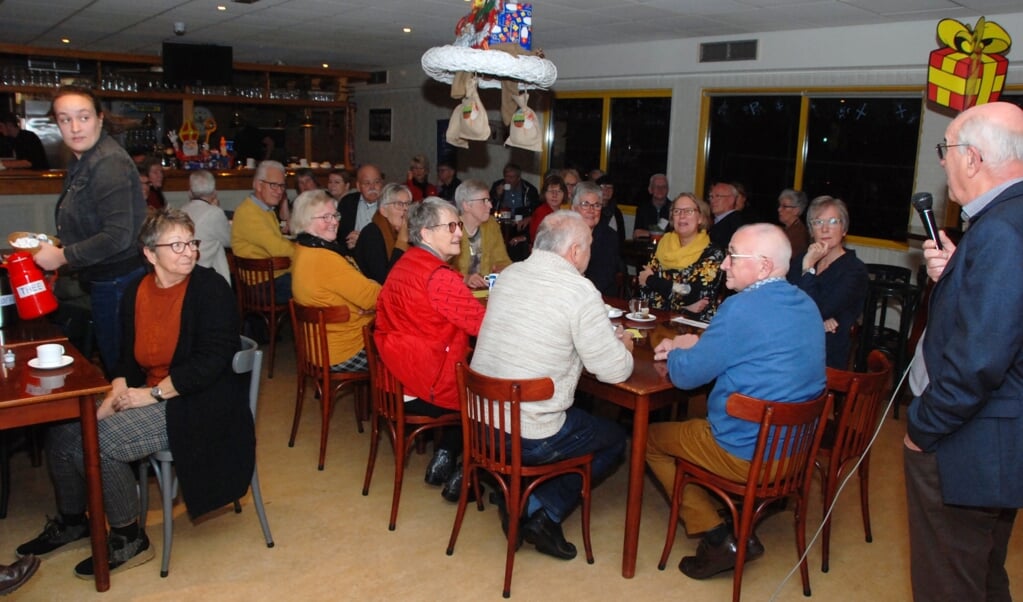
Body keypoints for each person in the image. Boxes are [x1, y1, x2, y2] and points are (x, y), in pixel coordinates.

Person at [17, 209, 255, 579]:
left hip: (198, 400)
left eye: (191, 242)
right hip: (152, 390)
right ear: (149, 253)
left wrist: (153, 395)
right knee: (64, 426)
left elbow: (211, 362)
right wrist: (117, 390)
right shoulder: (137, 291)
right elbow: (126, 357)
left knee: (101, 440)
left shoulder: (210, 289)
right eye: (176, 244)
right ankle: (72, 521)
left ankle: (129, 537)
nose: (188, 252)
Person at [646, 223, 825, 580]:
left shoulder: (741, 308)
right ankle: (721, 509)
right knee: (703, 408)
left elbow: (685, 377)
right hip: (796, 450)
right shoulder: (806, 303)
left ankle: (716, 535)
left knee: (650, 439)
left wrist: (676, 351)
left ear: (762, 266)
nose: (724, 264)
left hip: (748, 454)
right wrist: (698, 346)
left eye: (732, 256)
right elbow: (751, 349)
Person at [904, 101, 1023, 601]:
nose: (942, 161)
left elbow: (979, 359)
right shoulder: (1009, 219)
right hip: (999, 441)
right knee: (983, 574)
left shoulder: (999, 231)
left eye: (945, 149)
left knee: (949, 584)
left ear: (972, 158)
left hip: (964, 442)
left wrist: (922, 427)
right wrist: (956, 272)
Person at [471, 210, 634, 560]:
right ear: (575, 251)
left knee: (575, 417)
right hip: (528, 434)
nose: (589, 255)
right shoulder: (579, 290)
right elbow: (614, 371)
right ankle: (544, 511)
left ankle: (515, 497)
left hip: (481, 422)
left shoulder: (510, 275)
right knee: (615, 440)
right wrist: (624, 346)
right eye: (588, 247)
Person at [375, 198, 486, 501]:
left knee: (469, 378)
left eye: (459, 225)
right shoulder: (440, 278)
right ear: (425, 234)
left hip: (395, 378)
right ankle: (470, 473)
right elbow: (484, 327)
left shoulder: (404, 263)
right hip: (424, 385)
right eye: (450, 226)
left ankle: (445, 456)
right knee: (492, 395)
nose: (459, 233)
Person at [32, 86, 147, 374]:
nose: (74, 127)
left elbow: (117, 236)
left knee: (122, 370)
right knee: (114, 364)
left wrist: (62, 257)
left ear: (99, 118)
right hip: (102, 279)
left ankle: (131, 421)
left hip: (119, 281)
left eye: (82, 117)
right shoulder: (83, 159)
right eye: (64, 119)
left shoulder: (108, 162)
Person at [292, 190, 381, 371]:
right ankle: (392, 399)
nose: (334, 222)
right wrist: (362, 306)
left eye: (335, 215)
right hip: (343, 350)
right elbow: (375, 298)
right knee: (403, 353)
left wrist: (360, 305)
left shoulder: (302, 249)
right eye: (326, 217)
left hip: (319, 346)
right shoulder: (324, 258)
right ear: (306, 221)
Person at [787, 196, 868, 369]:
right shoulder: (802, 258)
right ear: (811, 231)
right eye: (817, 222)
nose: (825, 229)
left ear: (844, 228)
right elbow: (785, 300)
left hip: (826, 354)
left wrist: (808, 268)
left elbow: (820, 309)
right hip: (793, 342)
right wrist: (818, 320)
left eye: (833, 221)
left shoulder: (854, 270)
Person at [638, 193, 726, 322]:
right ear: (672, 218)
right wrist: (684, 304)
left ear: (700, 218)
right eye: (677, 211)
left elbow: (693, 293)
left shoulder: (713, 253)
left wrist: (652, 280)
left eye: (689, 211)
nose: (682, 215)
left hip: (694, 323)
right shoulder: (662, 245)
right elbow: (645, 290)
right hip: (658, 318)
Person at [231, 160, 295, 302]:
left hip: (271, 279)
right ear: (258, 185)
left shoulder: (265, 210)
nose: (279, 191)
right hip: (262, 286)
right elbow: (278, 248)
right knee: (316, 284)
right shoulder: (248, 213)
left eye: (282, 186)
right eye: (274, 185)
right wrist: (308, 253)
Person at [454, 179, 511, 289]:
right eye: (484, 201)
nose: (490, 205)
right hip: (456, 293)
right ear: (466, 205)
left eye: (489, 200)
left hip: (484, 292)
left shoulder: (491, 225)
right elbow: (440, 269)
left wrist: (502, 269)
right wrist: (465, 278)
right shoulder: (451, 227)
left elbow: (502, 260)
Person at [180, 169, 232, 284]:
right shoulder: (214, 213)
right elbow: (230, 241)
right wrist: (217, 209)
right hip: (206, 272)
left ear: (190, 192)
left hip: (186, 270)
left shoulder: (182, 210)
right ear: (214, 192)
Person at [353, 183, 410, 284]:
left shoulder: (408, 232)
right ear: (383, 210)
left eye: (408, 204)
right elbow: (384, 279)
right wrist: (401, 241)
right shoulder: (372, 233)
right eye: (399, 204)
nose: (405, 209)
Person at [573, 182, 621, 297]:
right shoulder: (563, 234)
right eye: (585, 204)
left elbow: (602, 278)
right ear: (573, 208)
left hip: (599, 298)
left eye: (597, 205)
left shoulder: (609, 237)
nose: (591, 210)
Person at [339, 164, 385, 251]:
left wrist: (363, 241)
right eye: (367, 183)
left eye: (376, 182)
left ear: (382, 184)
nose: (372, 187)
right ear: (358, 186)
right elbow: (340, 236)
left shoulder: (390, 205)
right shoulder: (347, 203)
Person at [490, 162, 540, 229]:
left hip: (522, 224)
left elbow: (537, 211)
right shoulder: (498, 185)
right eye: (506, 176)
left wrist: (528, 218)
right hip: (502, 223)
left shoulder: (530, 190)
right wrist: (497, 195)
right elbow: (489, 207)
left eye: (511, 177)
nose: (508, 180)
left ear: (518, 178)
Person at [707, 181, 748, 249]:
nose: (712, 200)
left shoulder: (735, 224)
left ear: (731, 199)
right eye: (711, 197)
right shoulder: (713, 220)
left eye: (718, 196)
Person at [529, 175, 567, 242]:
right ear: (544, 193)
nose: (555, 195)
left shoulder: (564, 212)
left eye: (559, 191)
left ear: (564, 194)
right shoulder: (541, 212)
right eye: (551, 191)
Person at [633, 173, 671, 238]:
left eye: (664, 186)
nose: (660, 189)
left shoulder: (674, 209)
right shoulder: (642, 209)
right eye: (657, 186)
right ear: (650, 189)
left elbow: (677, 236)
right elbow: (637, 233)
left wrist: (649, 233)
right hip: (646, 246)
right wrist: (661, 234)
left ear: (667, 190)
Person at [777, 188, 810, 257]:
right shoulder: (786, 229)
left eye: (784, 206)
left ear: (796, 211)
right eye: (780, 205)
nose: (779, 209)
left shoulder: (799, 235)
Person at [596, 174, 626, 248]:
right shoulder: (592, 210)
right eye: (603, 187)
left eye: (610, 187)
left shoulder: (616, 212)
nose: (607, 190)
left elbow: (621, 237)